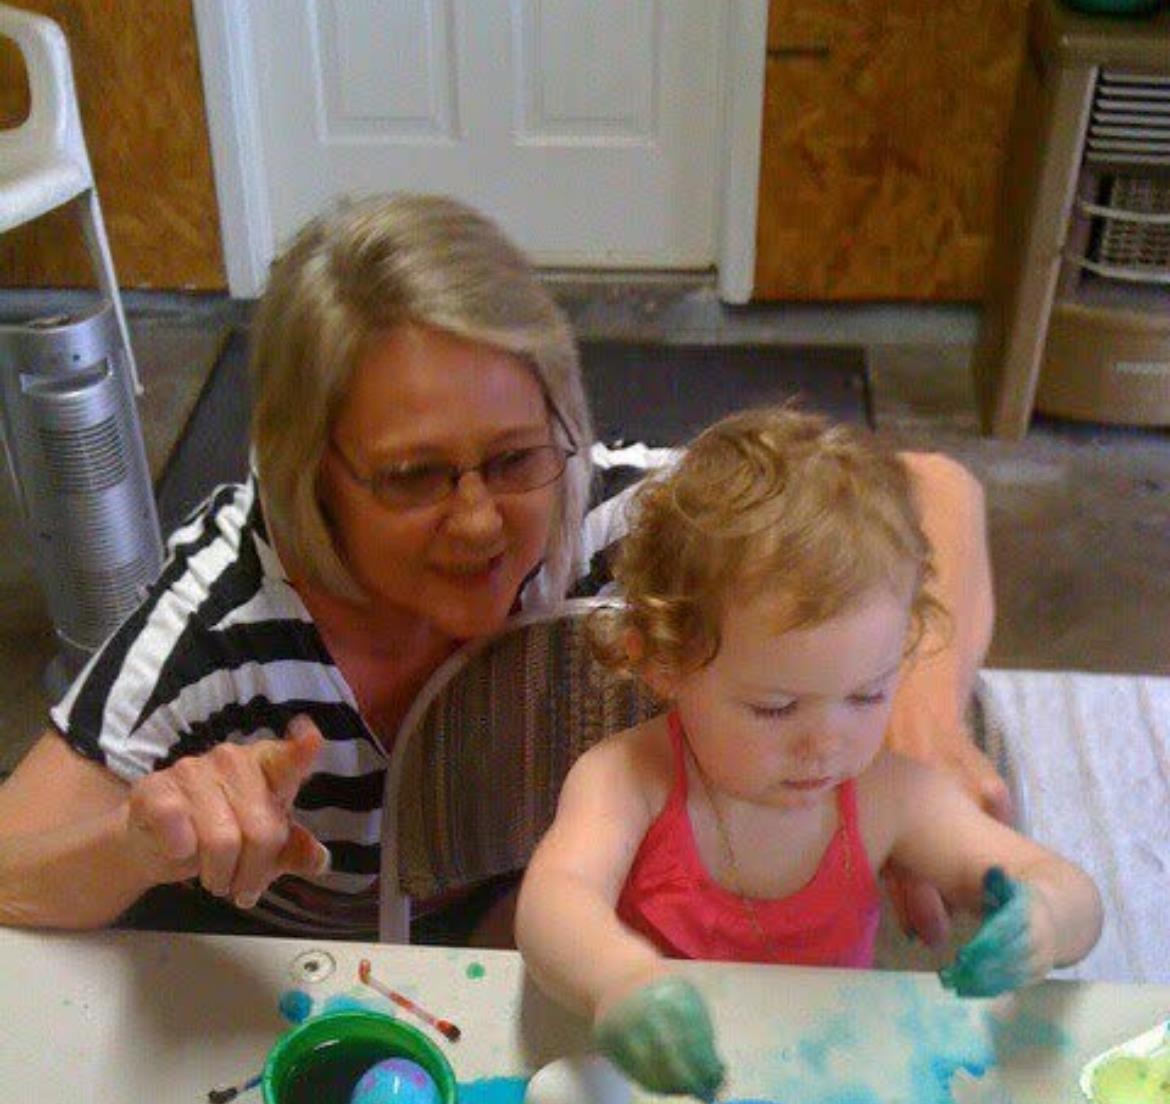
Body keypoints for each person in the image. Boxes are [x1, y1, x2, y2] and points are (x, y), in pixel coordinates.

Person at [0, 193, 1003, 942]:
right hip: (333, 988)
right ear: (313, 469)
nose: (481, 521)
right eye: (412, 475)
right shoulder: (214, 632)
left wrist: (920, 706)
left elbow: (933, 489)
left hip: (541, 922)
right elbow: (11, 868)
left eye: (517, 456)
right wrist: (140, 839)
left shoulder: (619, 520)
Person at [514, 409, 1103, 1099]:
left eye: (867, 696)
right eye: (775, 707)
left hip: (826, 1080)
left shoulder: (890, 794)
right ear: (664, 662)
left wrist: (1046, 918)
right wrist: (618, 979)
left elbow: (1073, 892)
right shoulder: (629, 779)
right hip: (648, 1088)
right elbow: (553, 903)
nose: (828, 743)